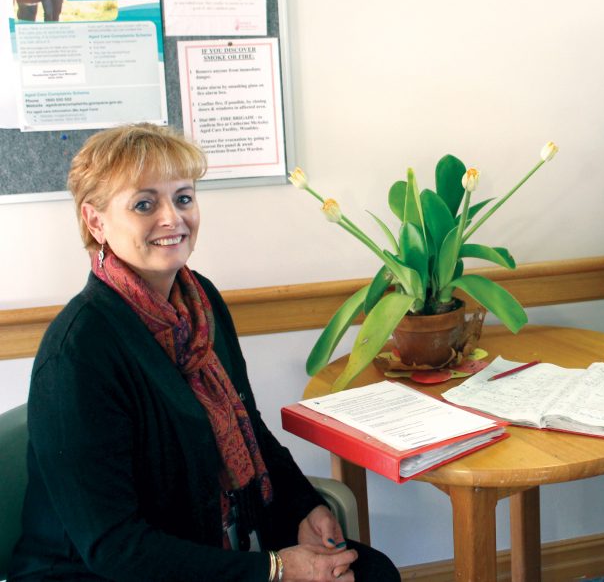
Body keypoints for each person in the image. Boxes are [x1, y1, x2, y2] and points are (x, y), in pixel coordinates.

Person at [9, 125, 400, 582]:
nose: (172, 218)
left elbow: (247, 423)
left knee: (371, 573)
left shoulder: (201, 302)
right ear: (96, 221)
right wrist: (274, 569)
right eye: (144, 204)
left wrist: (303, 507)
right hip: (107, 572)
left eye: (184, 198)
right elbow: (114, 547)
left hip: (208, 541)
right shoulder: (78, 353)